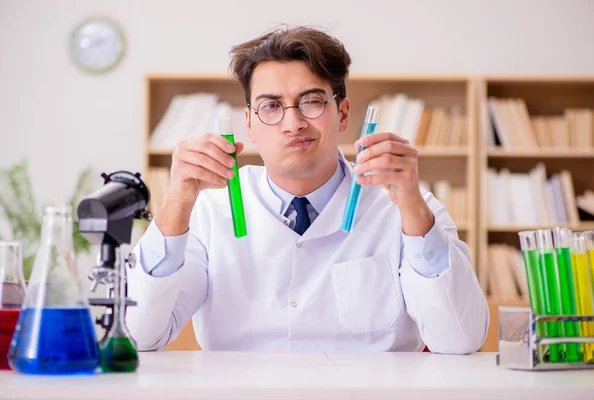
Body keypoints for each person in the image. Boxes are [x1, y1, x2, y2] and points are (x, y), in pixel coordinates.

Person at [126, 25, 489, 353]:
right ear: (249, 124)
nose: (293, 123)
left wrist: (411, 208)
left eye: (312, 102)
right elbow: (139, 337)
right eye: (271, 106)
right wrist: (177, 202)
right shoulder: (210, 210)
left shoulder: (407, 206)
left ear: (344, 114)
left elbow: (460, 340)